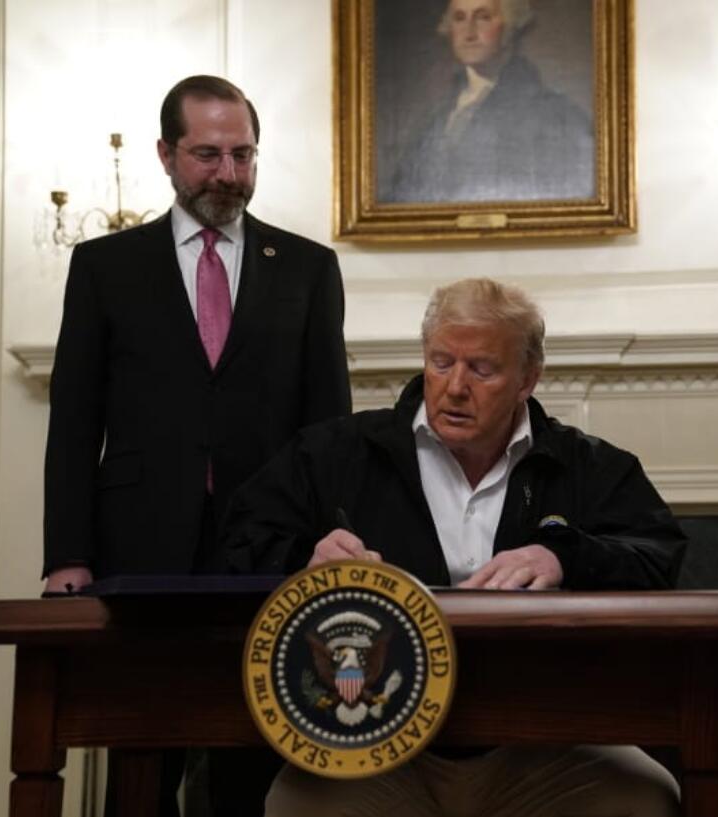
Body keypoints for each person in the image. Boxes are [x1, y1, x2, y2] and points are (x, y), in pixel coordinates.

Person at [223, 278, 686, 817]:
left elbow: (659, 556)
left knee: (647, 797)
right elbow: (241, 540)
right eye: (442, 362)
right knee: (293, 803)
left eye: (482, 369)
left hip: (545, 743)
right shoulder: (336, 455)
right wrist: (306, 557)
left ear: (527, 379)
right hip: (374, 748)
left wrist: (564, 555)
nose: (455, 387)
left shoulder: (591, 467)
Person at [42, 75, 352, 816]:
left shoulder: (308, 268)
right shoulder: (105, 267)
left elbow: (328, 423)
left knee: (262, 756)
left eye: (243, 155)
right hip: (141, 545)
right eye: (208, 154)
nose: (228, 174)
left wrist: (331, 531)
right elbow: (75, 421)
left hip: (271, 549)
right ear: (166, 154)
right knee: (144, 761)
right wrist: (66, 554)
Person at [385, 0, 595, 203]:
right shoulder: (436, 119)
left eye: (483, 17)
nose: (469, 32)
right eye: (459, 18)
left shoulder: (554, 115)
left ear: (510, 26)